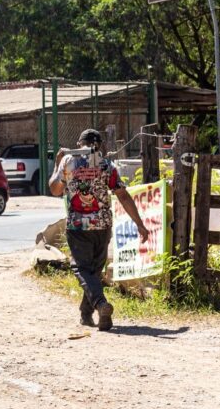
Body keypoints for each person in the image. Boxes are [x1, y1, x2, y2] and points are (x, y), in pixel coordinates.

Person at [48, 128, 149, 331]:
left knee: (82, 269)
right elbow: (122, 195)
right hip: (102, 226)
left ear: (80, 144)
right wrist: (139, 223)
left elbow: (55, 189)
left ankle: (101, 305)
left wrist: (57, 164)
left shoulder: (69, 161)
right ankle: (87, 314)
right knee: (93, 270)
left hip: (78, 226)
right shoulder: (107, 165)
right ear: (100, 145)